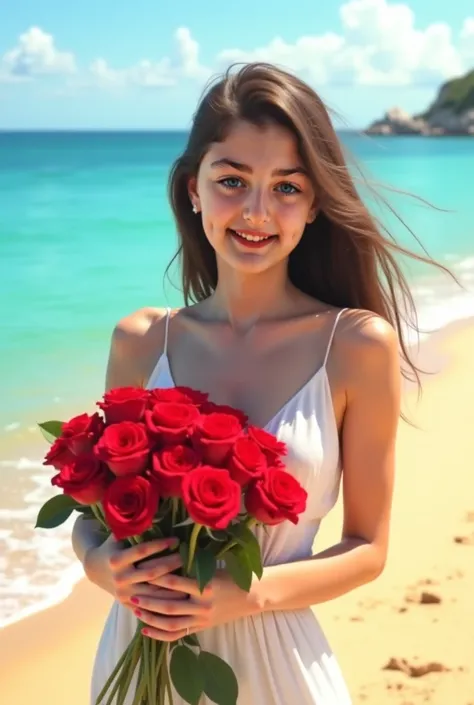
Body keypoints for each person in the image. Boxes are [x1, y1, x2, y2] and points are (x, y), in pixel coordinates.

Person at [72, 62, 451, 704]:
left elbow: (367, 548)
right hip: (139, 664)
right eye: (232, 180)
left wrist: (245, 595)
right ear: (194, 189)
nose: (256, 211)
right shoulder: (141, 340)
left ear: (314, 203)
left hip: (279, 668)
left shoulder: (356, 346)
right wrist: (98, 565)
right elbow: (93, 515)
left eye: (286, 187)